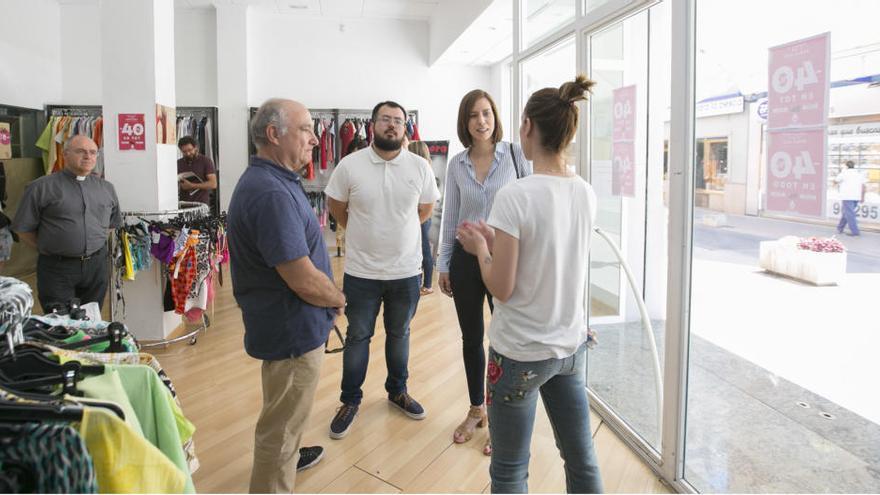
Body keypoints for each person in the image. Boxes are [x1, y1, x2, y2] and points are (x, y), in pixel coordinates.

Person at [456, 75, 603, 493]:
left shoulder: (516, 195)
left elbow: (501, 287)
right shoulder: (585, 193)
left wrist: (479, 248)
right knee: (581, 459)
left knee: (508, 470)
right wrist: (493, 241)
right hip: (570, 348)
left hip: (519, 353)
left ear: (526, 128)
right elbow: (552, 257)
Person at [227, 98, 346, 493]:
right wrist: (337, 298)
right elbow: (301, 278)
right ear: (274, 135)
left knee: (284, 415)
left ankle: (291, 455)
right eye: (306, 129)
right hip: (292, 332)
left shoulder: (274, 182)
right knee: (279, 431)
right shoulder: (271, 193)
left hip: (287, 327)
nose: (315, 138)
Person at [325, 101, 441, 439]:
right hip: (361, 272)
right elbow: (337, 207)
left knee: (400, 334)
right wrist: (366, 231)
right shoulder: (350, 165)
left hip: (405, 271)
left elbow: (425, 208)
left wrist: (395, 230)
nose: (392, 125)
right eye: (385, 120)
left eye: (398, 121)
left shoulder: (419, 166)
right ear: (372, 125)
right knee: (359, 336)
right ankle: (349, 400)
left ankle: (397, 391)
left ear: (405, 127)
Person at [437, 89, 531, 454]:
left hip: (504, 255)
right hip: (464, 260)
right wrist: (443, 263)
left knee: (505, 338)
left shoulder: (515, 155)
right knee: (471, 338)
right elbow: (450, 218)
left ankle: (502, 415)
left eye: (487, 113)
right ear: (465, 122)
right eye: (474, 115)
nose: (482, 121)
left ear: (495, 117)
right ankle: (478, 409)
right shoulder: (456, 164)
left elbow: (531, 205)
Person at [12, 135, 121, 311]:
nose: (88, 156)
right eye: (81, 151)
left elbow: (111, 224)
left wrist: (91, 243)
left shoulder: (106, 188)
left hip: (96, 266)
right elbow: (23, 228)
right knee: (60, 324)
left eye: (93, 152)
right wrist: (50, 247)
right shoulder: (40, 187)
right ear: (65, 154)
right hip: (57, 268)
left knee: (91, 319)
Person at [408, 140, 438, 296]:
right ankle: (420, 281)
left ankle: (427, 284)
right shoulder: (422, 170)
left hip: (421, 217)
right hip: (420, 217)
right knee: (419, 249)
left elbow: (425, 201)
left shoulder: (423, 172)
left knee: (424, 249)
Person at [177, 136, 217, 206]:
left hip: (201, 205)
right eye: (184, 151)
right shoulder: (178, 163)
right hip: (183, 205)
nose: (188, 153)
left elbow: (213, 184)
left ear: (195, 147)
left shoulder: (205, 161)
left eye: (190, 150)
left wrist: (192, 186)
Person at [834, 160, 867, 236]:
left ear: (846, 166)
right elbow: (864, 186)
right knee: (847, 213)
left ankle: (855, 231)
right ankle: (840, 228)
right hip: (856, 197)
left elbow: (835, 181)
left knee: (850, 214)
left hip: (847, 196)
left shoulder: (844, 173)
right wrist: (863, 197)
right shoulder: (859, 174)